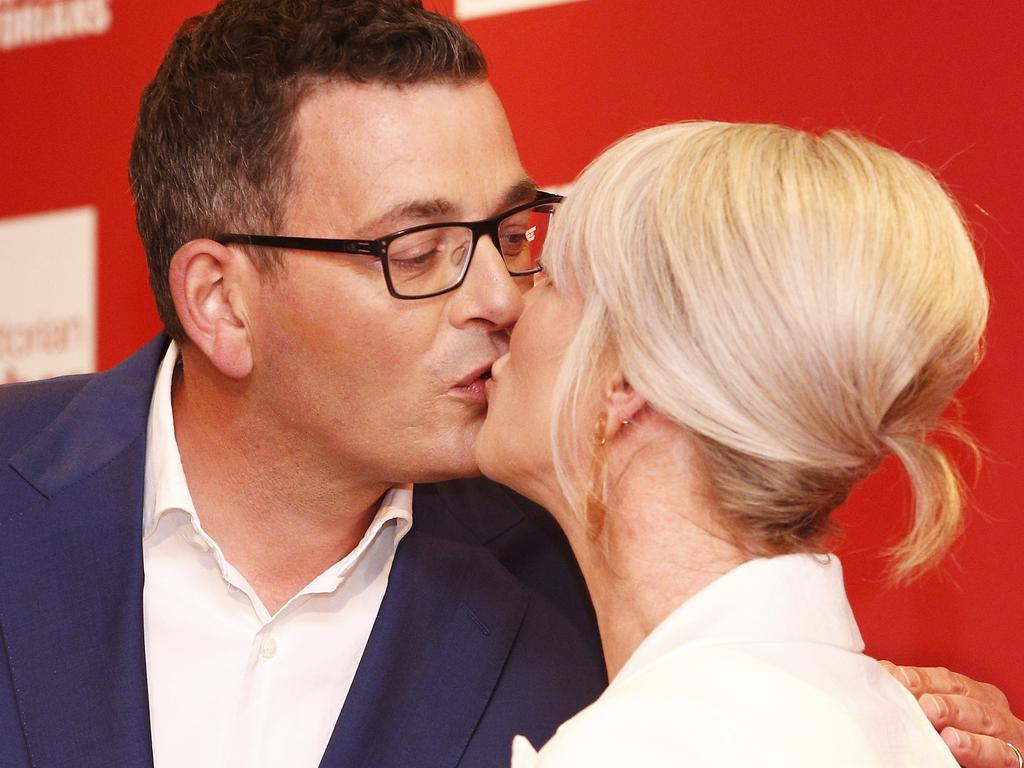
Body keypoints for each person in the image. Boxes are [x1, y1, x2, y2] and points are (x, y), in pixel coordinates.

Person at [0, 2, 1017, 767]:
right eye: (421, 245)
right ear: (221, 302)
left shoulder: (582, 567)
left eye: (508, 231)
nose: (500, 295)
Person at [475, 121, 1021, 767]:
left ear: (627, 377)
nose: (507, 306)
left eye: (552, 279)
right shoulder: (883, 722)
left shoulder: (646, 747)